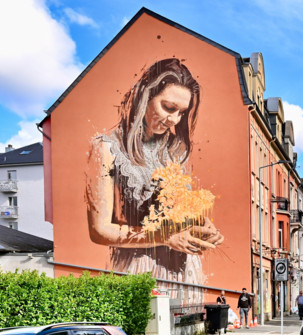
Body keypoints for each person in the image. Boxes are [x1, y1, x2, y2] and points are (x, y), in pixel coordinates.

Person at [85, 58, 224, 306]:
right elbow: (99, 230)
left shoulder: (173, 152)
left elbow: (182, 207)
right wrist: (164, 237)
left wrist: (205, 226)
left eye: (182, 113)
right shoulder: (105, 148)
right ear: (143, 96)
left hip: (184, 270)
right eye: (169, 107)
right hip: (140, 269)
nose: (175, 120)